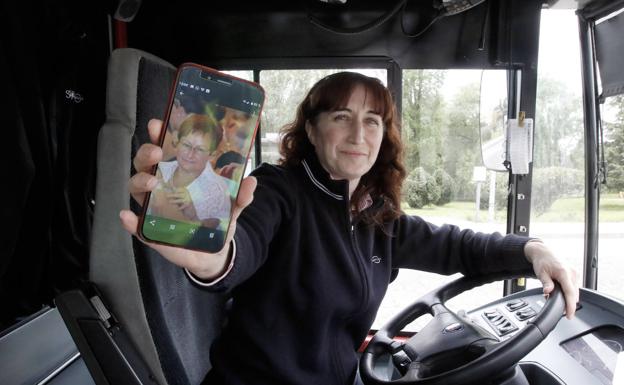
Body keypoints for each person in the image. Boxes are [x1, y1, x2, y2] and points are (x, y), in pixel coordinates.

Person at [121, 72, 579, 385]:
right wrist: (214, 257)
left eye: (372, 121)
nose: (359, 134)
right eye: (341, 117)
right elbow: (243, 245)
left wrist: (533, 249)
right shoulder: (277, 191)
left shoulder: (377, 217)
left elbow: (461, 246)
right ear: (312, 132)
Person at [149, 113, 230, 228]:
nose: (190, 154)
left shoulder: (218, 191)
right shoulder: (160, 169)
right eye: (186, 145)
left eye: (200, 149)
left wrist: (193, 212)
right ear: (177, 142)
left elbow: (213, 231)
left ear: (212, 155)